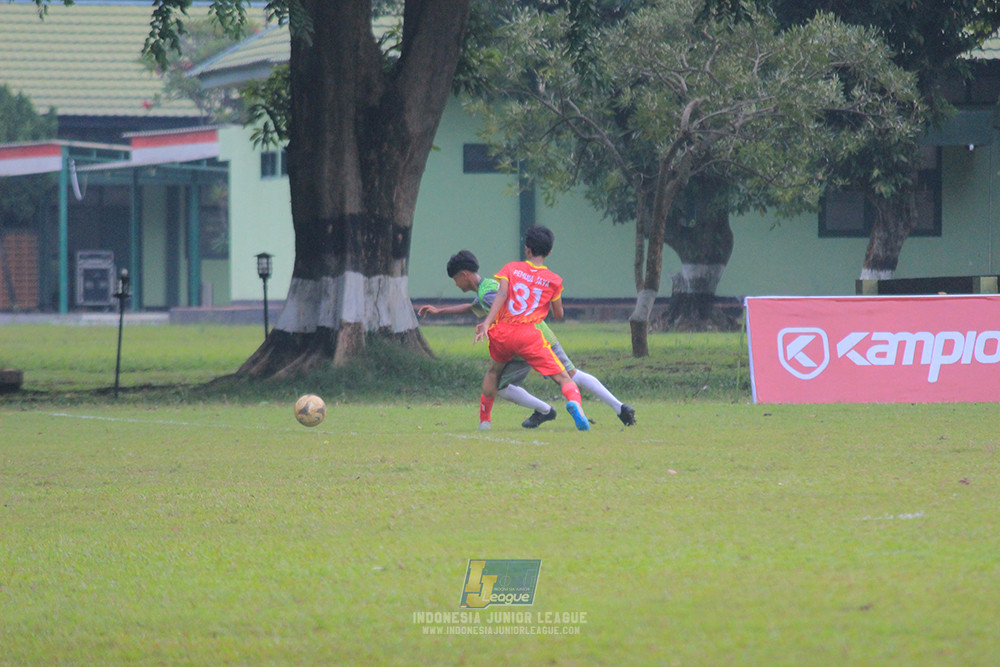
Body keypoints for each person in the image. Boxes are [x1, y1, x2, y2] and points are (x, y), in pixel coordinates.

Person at [419, 249, 636, 429]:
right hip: (530, 335)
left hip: (529, 335)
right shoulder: (487, 289)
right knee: (568, 375)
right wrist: (440, 312)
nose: (456, 284)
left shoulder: (489, 292)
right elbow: (473, 307)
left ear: (464, 275)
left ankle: (548, 410)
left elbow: (501, 305)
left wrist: (489, 325)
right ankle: (614, 408)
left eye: (456, 279)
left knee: (505, 383)